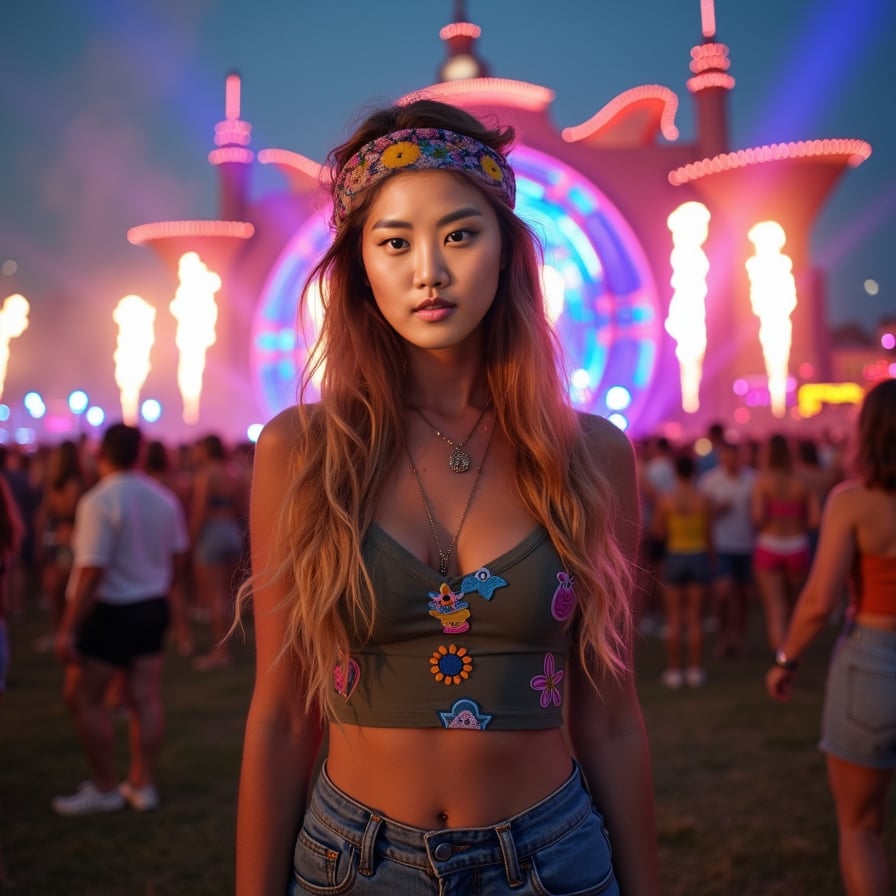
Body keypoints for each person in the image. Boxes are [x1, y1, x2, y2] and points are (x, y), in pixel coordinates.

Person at [234, 100, 660, 896]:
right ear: (360, 265)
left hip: (553, 858)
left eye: (460, 234)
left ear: (508, 252)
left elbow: (611, 718)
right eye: (394, 242)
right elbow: (283, 715)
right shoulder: (302, 452)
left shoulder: (594, 455)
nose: (429, 270)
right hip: (352, 864)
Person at [766, 378, 896, 896]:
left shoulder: (853, 502)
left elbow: (820, 601)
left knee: (859, 828)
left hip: (872, 664)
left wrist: (786, 660)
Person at [51, 423, 189, 815]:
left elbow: (91, 571)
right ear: (139, 455)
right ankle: (142, 784)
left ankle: (106, 785)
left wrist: (67, 629)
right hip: (151, 605)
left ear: (101, 454)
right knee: (144, 697)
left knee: (82, 697)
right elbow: (178, 556)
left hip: (111, 609)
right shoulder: (163, 498)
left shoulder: (98, 501)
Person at [751, 433, 820, 650]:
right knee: (793, 607)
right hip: (796, 546)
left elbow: (758, 518)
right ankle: (793, 655)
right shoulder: (804, 480)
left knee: (775, 609)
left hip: (769, 545)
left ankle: (780, 662)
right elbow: (815, 520)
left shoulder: (763, 481)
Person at [653, 452, 713, 687]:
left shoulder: (667, 500)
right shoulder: (703, 499)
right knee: (695, 618)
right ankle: (695, 670)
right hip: (698, 555)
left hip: (675, 556)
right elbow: (709, 534)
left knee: (675, 618)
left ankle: (675, 671)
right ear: (694, 471)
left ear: (675, 472)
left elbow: (657, 530)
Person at [189, 433, 247, 669]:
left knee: (214, 597)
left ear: (206, 449)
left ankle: (221, 653)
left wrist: (191, 539)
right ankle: (227, 648)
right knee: (226, 597)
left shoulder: (206, 475)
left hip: (212, 532)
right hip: (231, 532)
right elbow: (242, 508)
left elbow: (200, 510)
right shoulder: (233, 473)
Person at [698, 440, 757, 658]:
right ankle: (723, 637)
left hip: (747, 545)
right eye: (725, 457)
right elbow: (702, 515)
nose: (729, 462)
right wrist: (715, 512)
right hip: (722, 545)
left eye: (733, 457)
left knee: (743, 596)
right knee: (722, 593)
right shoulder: (711, 481)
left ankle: (737, 637)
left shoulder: (752, 479)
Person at [33, 439, 88, 651]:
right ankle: (60, 631)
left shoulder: (73, 484)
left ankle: (68, 632)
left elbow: (70, 512)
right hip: (56, 539)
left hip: (67, 541)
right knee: (54, 588)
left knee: (64, 588)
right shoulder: (57, 482)